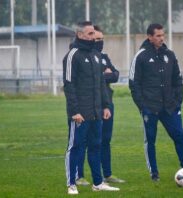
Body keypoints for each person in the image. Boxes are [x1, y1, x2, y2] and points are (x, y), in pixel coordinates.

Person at [63, 21, 119, 195]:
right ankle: (71, 183)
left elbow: (101, 84)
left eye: (93, 33)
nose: (93, 36)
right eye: (89, 34)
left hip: (97, 112)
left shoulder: (96, 55)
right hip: (81, 113)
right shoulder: (72, 55)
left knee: (96, 146)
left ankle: (98, 183)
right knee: (75, 147)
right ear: (80, 35)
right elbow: (69, 85)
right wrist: (74, 112)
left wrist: (105, 106)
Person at [129, 23, 183, 182]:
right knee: (150, 140)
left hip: (170, 106)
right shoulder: (140, 56)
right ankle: (154, 173)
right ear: (149, 37)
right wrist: (143, 107)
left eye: (163, 35)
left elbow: (178, 80)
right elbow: (134, 84)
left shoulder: (170, 55)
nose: (162, 38)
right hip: (150, 108)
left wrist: (177, 101)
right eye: (158, 36)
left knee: (180, 136)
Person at [75, 25, 125, 185]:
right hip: (88, 106)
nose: (99, 42)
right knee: (82, 141)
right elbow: (90, 79)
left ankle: (107, 174)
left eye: (102, 39)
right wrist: (104, 74)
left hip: (106, 104)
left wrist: (103, 75)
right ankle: (79, 175)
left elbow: (116, 75)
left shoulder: (103, 57)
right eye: (97, 39)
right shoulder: (81, 56)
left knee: (105, 140)